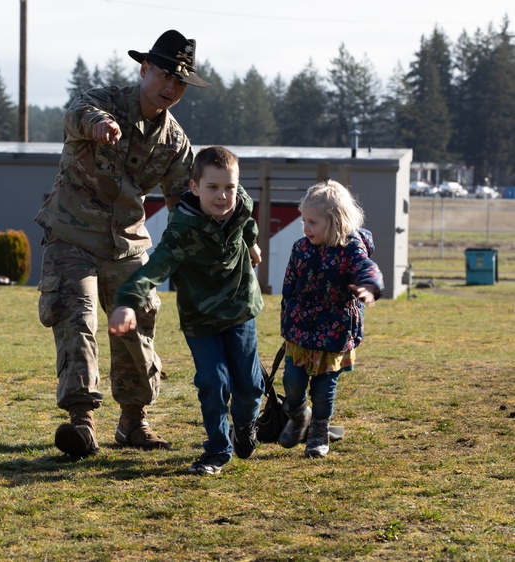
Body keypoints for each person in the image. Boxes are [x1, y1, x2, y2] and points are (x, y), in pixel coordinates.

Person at [35, 30, 209, 459]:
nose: (171, 88)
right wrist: (99, 126)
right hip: (72, 236)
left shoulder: (174, 142)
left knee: (137, 325)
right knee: (77, 315)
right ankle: (82, 423)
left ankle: (133, 421)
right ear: (145, 68)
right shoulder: (103, 102)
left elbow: (182, 203)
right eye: (166, 75)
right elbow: (75, 114)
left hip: (127, 244)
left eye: (181, 82)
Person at [109, 146, 264, 476]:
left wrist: (251, 243)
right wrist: (126, 303)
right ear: (194, 187)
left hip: (240, 311)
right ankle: (217, 451)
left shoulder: (241, 204)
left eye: (229, 187)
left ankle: (246, 424)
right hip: (201, 320)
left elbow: (246, 219)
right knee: (214, 383)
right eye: (212, 188)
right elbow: (153, 269)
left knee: (249, 387)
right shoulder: (181, 232)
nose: (223, 196)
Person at [278, 180, 383, 458]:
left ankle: (318, 432)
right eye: (304, 220)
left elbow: (366, 267)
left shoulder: (350, 248)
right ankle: (299, 415)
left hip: (334, 332)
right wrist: (287, 320)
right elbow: (289, 286)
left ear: (335, 222)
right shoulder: (300, 248)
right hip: (300, 331)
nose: (306, 227)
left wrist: (370, 285)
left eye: (313, 222)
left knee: (324, 389)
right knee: (292, 381)